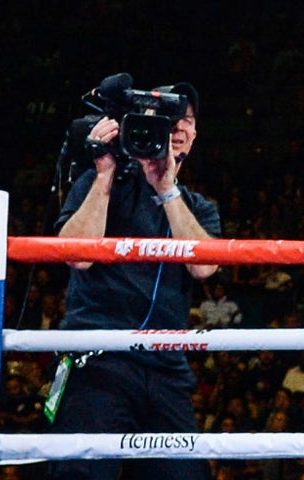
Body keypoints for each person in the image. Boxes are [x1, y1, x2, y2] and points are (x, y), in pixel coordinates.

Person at [50, 82, 220, 480]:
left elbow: (205, 267)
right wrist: (104, 174)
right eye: (169, 119)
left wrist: (167, 189)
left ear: (194, 135)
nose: (178, 127)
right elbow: (76, 255)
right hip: (98, 358)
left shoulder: (197, 208)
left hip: (165, 367)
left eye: (187, 120)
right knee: (82, 474)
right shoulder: (99, 183)